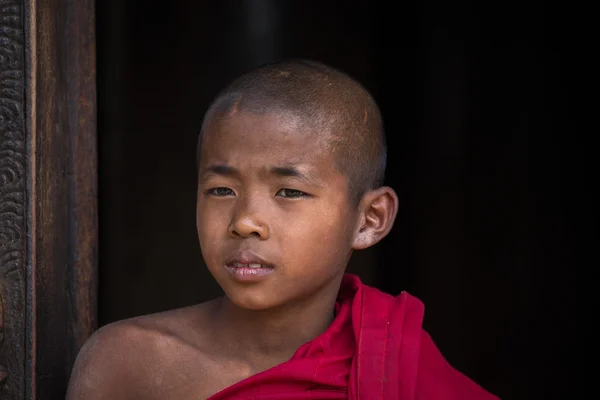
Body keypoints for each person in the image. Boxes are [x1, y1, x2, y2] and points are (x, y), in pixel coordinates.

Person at [66, 59, 499, 399]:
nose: (244, 222)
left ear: (370, 220)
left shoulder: (396, 365)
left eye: (289, 192)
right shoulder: (130, 363)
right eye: (220, 189)